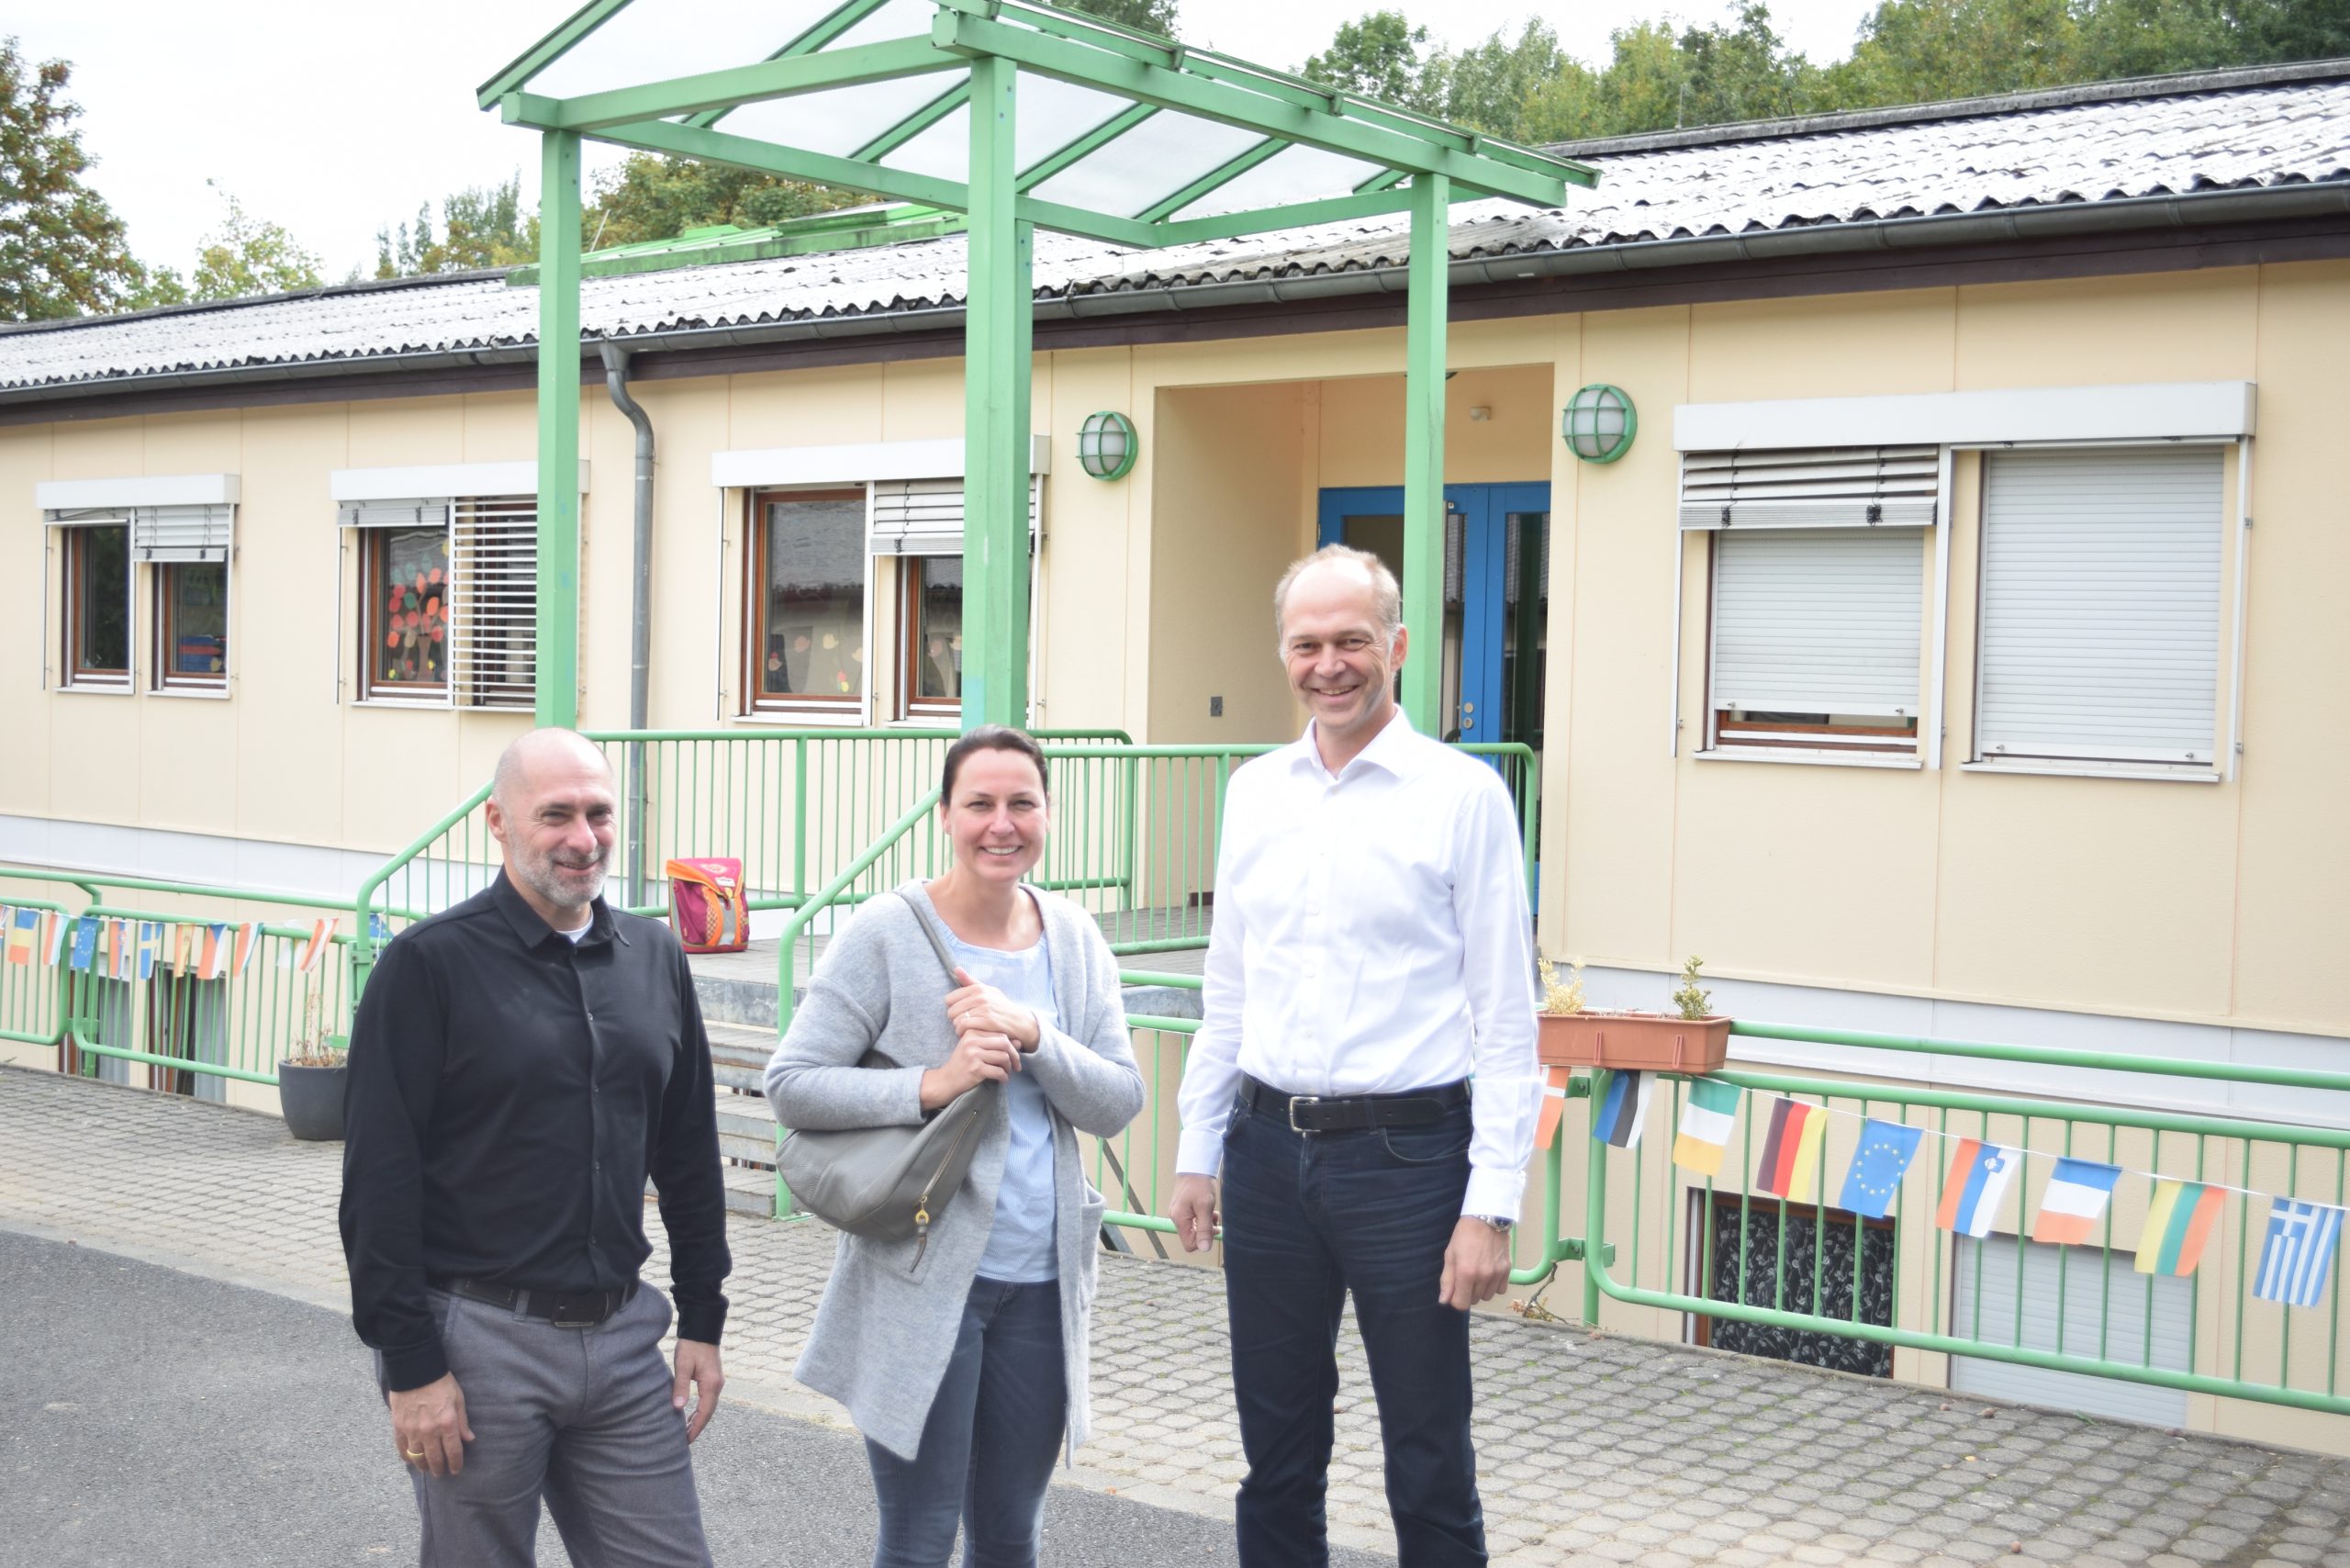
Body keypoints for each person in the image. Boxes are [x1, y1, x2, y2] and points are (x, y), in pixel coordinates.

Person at [1169, 544, 1540, 1568]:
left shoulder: (1462, 796)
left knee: (1426, 1457)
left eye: (1351, 641)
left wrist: (1489, 1204)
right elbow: (1228, 989)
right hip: (1267, 1153)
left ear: (1398, 647)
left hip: (1412, 1166)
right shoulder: (1253, 791)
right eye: (1306, 644)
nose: (1328, 664)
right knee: (1276, 1454)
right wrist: (1198, 1148)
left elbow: (1508, 1018)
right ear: (1282, 653)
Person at [340, 727, 732, 1567]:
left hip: (625, 1342)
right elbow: (378, 1183)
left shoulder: (655, 957)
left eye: (598, 813)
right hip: (479, 1346)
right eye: (556, 815)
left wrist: (703, 1315)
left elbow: (689, 1150)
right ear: (498, 822)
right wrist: (411, 1367)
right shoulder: (427, 967)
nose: (583, 839)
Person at [767, 725, 1146, 1568]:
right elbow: (790, 1083)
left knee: (1011, 1537)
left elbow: (1119, 1100)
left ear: (1048, 814)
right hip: (921, 1279)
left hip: (1043, 1287)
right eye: (979, 804)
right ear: (945, 815)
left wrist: (1037, 1035)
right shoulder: (887, 932)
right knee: (919, 1537)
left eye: (1022, 803)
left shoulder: (1076, 939)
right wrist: (931, 1083)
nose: (1000, 824)